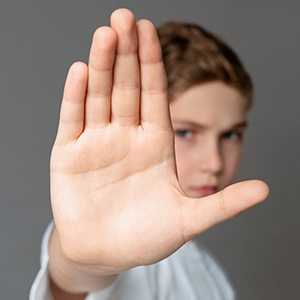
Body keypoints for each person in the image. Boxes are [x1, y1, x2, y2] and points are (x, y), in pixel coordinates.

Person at [30, 8, 269, 300]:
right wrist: (81, 263)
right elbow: (75, 281)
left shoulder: (209, 271)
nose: (214, 162)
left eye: (230, 135)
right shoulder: (125, 240)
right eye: (185, 132)